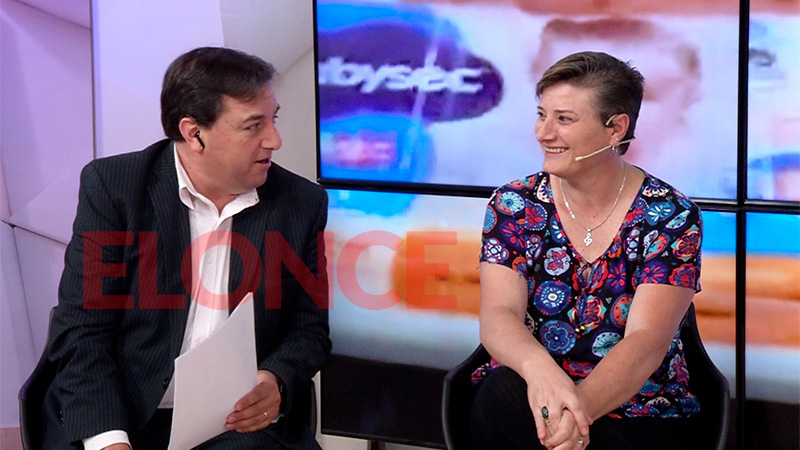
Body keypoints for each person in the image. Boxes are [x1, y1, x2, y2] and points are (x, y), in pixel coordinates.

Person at [41, 47, 331, 449]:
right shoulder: (114, 189)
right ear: (194, 133)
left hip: (236, 426)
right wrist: (110, 441)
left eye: (273, 120)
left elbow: (309, 330)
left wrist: (275, 379)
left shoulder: (300, 203)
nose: (274, 140)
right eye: (253, 126)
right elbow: (82, 330)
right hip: (123, 415)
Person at [469, 51, 703, 450]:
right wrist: (542, 373)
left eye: (564, 119)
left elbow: (646, 342)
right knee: (499, 392)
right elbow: (498, 315)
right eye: (541, 115)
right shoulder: (515, 204)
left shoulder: (671, 215)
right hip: (531, 397)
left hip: (639, 408)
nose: (544, 133)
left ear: (616, 129)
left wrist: (574, 418)